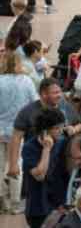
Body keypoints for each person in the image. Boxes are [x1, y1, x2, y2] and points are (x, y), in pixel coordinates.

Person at [0, 52, 37, 213]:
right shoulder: (27, 81)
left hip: (0, 128)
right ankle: (15, 204)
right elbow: (34, 103)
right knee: (16, 165)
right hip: (19, 129)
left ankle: (3, 200)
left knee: (0, 166)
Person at [22, 108, 67, 228]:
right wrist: (46, 149)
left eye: (62, 127)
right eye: (57, 128)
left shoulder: (62, 143)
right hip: (38, 207)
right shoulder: (29, 148)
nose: (60, 131)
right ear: (44, 131)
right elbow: (40, 175)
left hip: (58, 204)